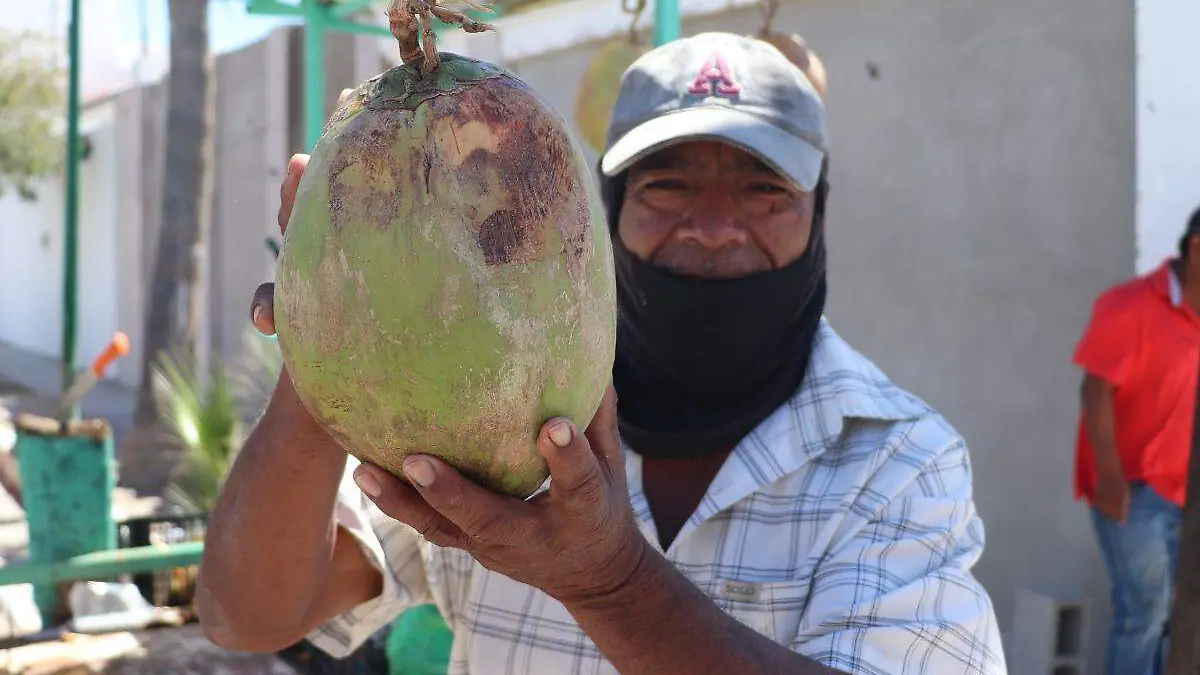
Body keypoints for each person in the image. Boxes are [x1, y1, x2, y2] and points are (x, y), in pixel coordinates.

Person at [196, 32, 1007, 674]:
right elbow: (248, 614)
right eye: (667, 186)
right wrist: (328, 333)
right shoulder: (489, 404)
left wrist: (610, 579)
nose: (714, 225)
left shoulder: (899, 461)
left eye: (764, 189)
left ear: (817, 214)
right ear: (595, 212)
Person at [1073, 207, 1200, 675]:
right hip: (1135, 493)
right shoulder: (1131, 306)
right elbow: (1094, 389)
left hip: (1188, 494)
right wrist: (1109, 479)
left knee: (1179, 619)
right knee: (1144, 614)